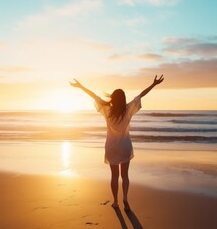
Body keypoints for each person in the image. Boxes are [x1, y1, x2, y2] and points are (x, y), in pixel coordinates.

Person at [70, 75, 164, 211]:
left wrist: (80, 87)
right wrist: (153, 84)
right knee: (125, 175)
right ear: (124, 99)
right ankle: (125, 197)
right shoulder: (128, 109)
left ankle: (115, 201)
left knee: (114, 176)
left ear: (113, 99)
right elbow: (140, 95)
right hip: (125, 146)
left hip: (112, 147)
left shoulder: (107, 110)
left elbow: (94, 96)